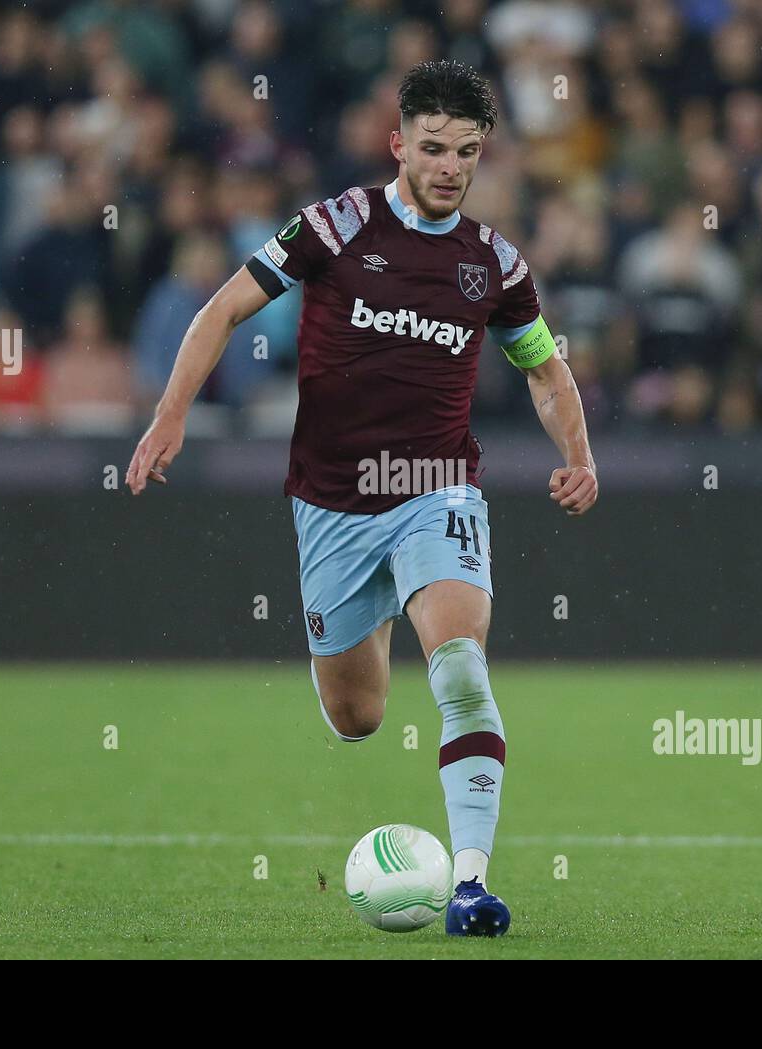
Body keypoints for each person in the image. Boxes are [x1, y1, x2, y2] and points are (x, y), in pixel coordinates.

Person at [126, 60, 598, 937]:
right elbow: (222, 309)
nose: (451, 165)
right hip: (333, 505)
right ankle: (371, 618)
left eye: (467, 151)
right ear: (398, 143)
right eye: (433, 147)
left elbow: (544, 366)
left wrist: (578, 453)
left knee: (459, 664)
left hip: (436, 488)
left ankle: (469, 885)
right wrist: (169, 418)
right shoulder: (334, 226)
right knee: (358, 716)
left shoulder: (493, 263)